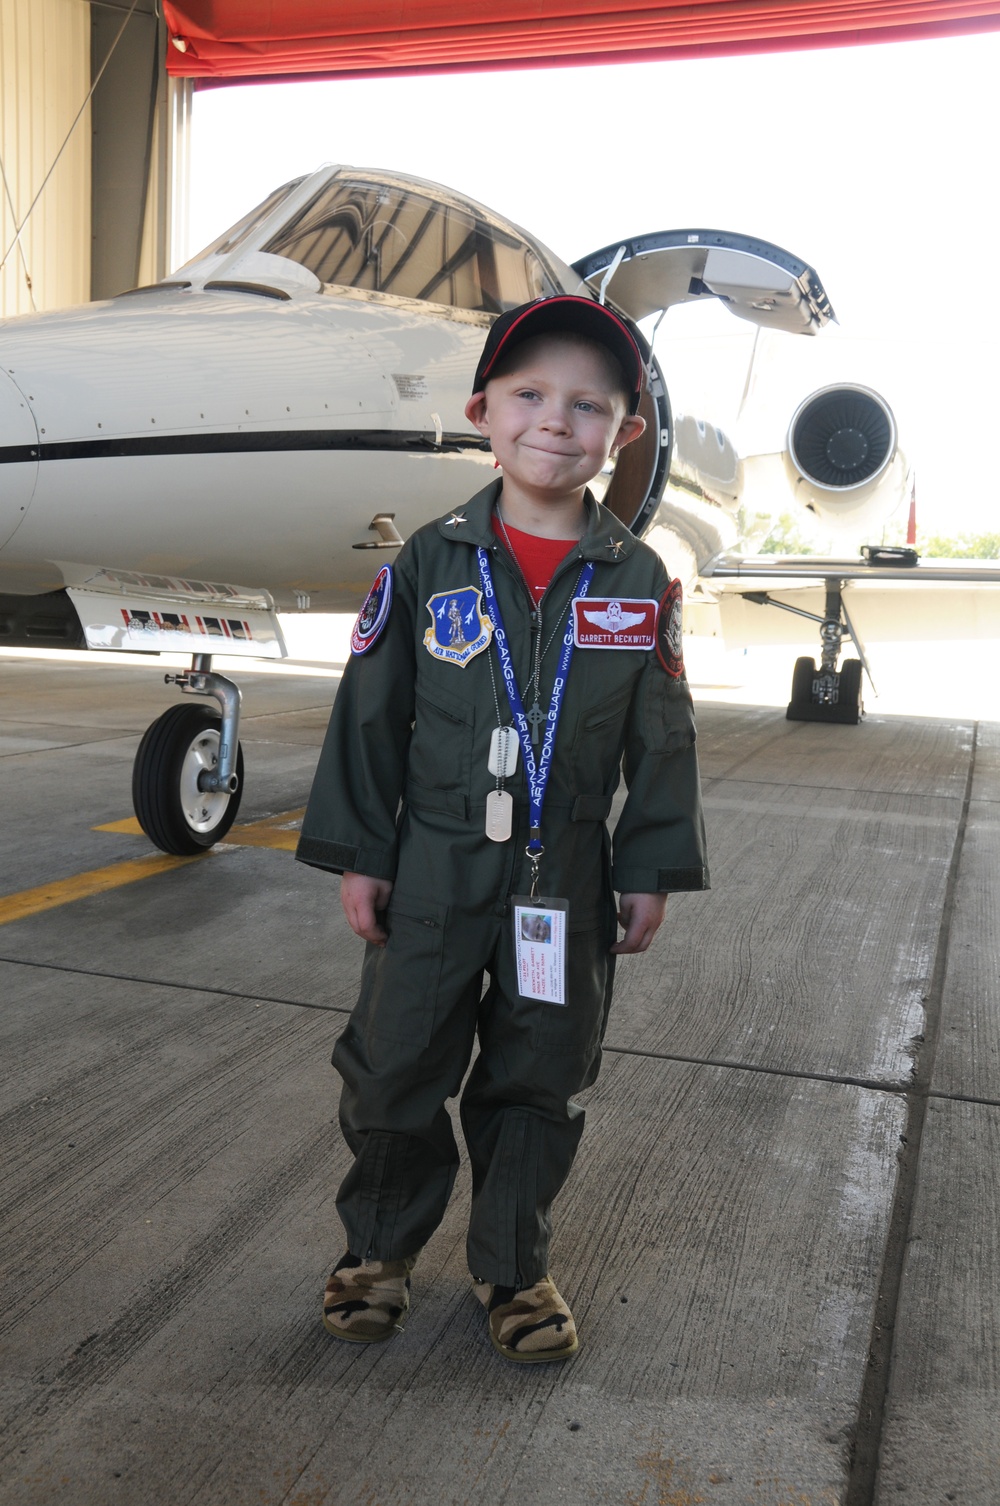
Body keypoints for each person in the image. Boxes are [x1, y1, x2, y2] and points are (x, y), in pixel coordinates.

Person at [296, 294, 709, 1363]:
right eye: (529, 395)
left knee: (539, 1077)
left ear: (620, 436)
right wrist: (360, 855)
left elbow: (661, 739)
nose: (553, 423)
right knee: (393, 1068)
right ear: (485, 410)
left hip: (563, 879)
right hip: (432, 869)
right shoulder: (426, 564)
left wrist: (649, 866)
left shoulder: (636, 579)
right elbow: (368, 722)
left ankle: (514, 1270)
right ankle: (376, 1253)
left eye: (587, 406)